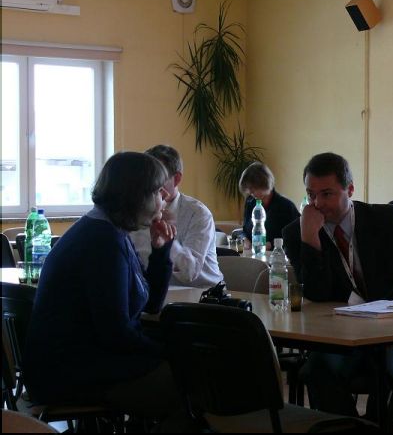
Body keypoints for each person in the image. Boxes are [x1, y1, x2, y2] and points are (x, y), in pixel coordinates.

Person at [282, 152, 393, 418]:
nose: (317, 204)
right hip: (340, 337)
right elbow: (317, 293)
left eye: (326, 194)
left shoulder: (386, 220)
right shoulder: (298, 232)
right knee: (316, 371)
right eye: (310, 194)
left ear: (350, 190)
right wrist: (311, 241)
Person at [23, 152, 182, 419]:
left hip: (79, 363)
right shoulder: (102, 242)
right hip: (70, 374)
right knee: (188, 383)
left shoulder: (110, 231)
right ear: (137, 195)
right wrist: (172, 351)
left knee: (183, 371)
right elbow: (116, 333)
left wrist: (160, 250)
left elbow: (151, 304)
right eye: (157, 191)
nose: (164, 197)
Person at [130, 145, 223, 288]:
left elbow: (189, 273)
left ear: (177, 179)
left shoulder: (198, 214)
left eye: (158, 177)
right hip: (156, 293)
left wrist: (167, 242)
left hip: (202, 294)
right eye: (147, 177)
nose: (150, 184)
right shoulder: (137, 213)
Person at [239, 161, 299, 249]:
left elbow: (296, 236)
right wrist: (244, 239)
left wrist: (271, 244)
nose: (250, 192)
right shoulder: (250, 202)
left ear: (264, 184)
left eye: (253, 188)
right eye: (248, 188)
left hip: (278, 254)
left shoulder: (286, 206)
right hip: (252, 253)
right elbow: (245, 230)